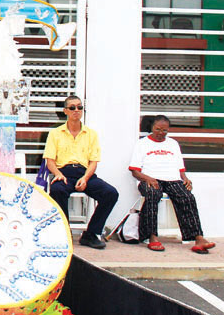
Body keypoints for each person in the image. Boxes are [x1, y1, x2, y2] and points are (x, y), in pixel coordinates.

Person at [129, 114, 213, 254]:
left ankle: (198, 238)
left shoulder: (173, 144)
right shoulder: (142, 143)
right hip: (150, 179)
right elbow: (134, 171)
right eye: (158, 129)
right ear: (152, 127)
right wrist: (147, 178)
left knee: (187, 197)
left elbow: (180, 168)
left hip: (172, 180)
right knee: (152, 194)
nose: (161, 133)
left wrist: (185, 178)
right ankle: (152, 237)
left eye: (164, 130)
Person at [43, 95, 118, 249]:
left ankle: (91, 234)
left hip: (85, 173)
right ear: (65, 111)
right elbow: (49, 161)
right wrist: (58, 174)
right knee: (57, 190)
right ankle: (64, 232)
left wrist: (85, 178)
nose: (76, 110)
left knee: (111, 193)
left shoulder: (91, 134)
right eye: (72, 107)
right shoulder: (55, 133)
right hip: (63, 172)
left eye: (79, 107)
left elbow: (93, 161)